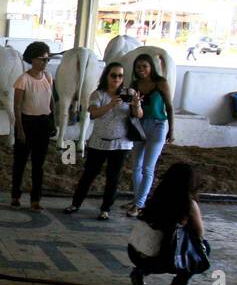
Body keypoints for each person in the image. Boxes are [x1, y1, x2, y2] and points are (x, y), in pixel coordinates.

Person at [63, 62, 141, 220]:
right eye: (113, 75)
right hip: (99, 141)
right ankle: (76, 203)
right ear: (106, 76)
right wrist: (111, 104)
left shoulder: (129, 93)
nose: (117, 79)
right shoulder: (98, 94)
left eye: (120, 76)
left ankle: (106, 209)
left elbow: (138, 115)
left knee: (113, 177)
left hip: (121, 143)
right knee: (89, 174)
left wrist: (136, 104)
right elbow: (93, 113)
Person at [127, 162, 207, 285]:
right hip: (162, 260)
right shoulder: (189, 204)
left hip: (135, 253)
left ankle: (140, 270)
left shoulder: (156, 197)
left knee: (158, 244)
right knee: (201, 250)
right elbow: (200, 233)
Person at [125, 53, 174, 217]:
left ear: (151, 67)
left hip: (158, 125)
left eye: (144, 66)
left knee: (148, 167)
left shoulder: (161, 83)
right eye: (138, 67)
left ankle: (139, 204)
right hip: (139, 125)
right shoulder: (134, 84)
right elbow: (131, 108)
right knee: (136, 166)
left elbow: (169, 106)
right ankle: (138, 199)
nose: (141, 70)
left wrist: (171, 129)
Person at [10, 42, 54, 211]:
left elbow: (51, 101)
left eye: (47, 59)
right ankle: (15, 195)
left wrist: (53, 120)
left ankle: (36, 199)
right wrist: (20, 129)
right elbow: (17, 106)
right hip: (27, 123)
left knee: (38, 164)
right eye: (42, 59)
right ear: (32, 59)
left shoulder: (48, 77)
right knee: (20, 163)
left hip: (43, 122)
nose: (45, 62)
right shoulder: (23, 80)